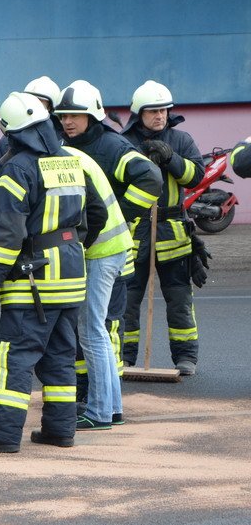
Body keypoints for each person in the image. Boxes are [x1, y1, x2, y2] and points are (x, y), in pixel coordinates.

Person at [0, 92, 105, 453]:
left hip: (34, 281)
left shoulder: (17, 168)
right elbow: (96, 213)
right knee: (61, 356)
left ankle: (2, 434)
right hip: (72, 276)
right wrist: (71, 246)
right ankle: (61, 430)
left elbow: (9, 233)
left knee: (14, 356)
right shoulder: (71, 163)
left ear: (11, 133)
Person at [54, 80, 162, 429]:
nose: (68, 122)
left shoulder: (111, 145)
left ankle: (100, 412)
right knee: (96, 331)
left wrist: (125, 212)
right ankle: (111, 408)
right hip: (105, 249)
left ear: (93, 116)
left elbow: (152, 179)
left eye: (76, 115)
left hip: (105, 251)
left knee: (93, 332)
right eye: (64, 115)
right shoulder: (69, 146)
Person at [121, 81, 206, 376]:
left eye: (164, 110)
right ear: (139, 114)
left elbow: (197, 177)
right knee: (127, 300)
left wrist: (171, 158)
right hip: (135, 231)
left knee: (179, 298)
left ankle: (185, 357)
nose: (160, 116)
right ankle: (125, 356)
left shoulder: (181, 139)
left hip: (172, 230)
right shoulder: (124, 142)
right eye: (153, 111)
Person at [0, 76, 62, 223]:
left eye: (40, 101)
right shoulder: (6, 141)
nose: (32, 105)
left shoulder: (63, 140)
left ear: (51, 107)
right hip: (16, 223)